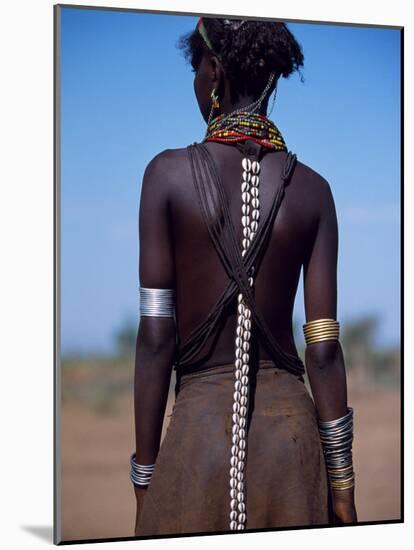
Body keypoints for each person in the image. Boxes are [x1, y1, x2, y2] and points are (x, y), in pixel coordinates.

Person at [131, 16, 358, 537]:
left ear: (213, 71)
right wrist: (341, 485)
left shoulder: (165, 176)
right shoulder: (314, 191)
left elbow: (155, 339)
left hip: (195, 445)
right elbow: (323, 349)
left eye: (195, 68)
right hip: (292, 453)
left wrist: (146, 478)